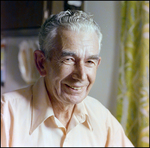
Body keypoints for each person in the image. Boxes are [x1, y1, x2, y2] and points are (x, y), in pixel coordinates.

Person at [1, 10, 134, 147]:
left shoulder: (102, 118)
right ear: (41, 62)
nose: (81, 75)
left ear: (97, 64)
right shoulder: (6, 114)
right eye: (69, 59)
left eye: (89, 62)